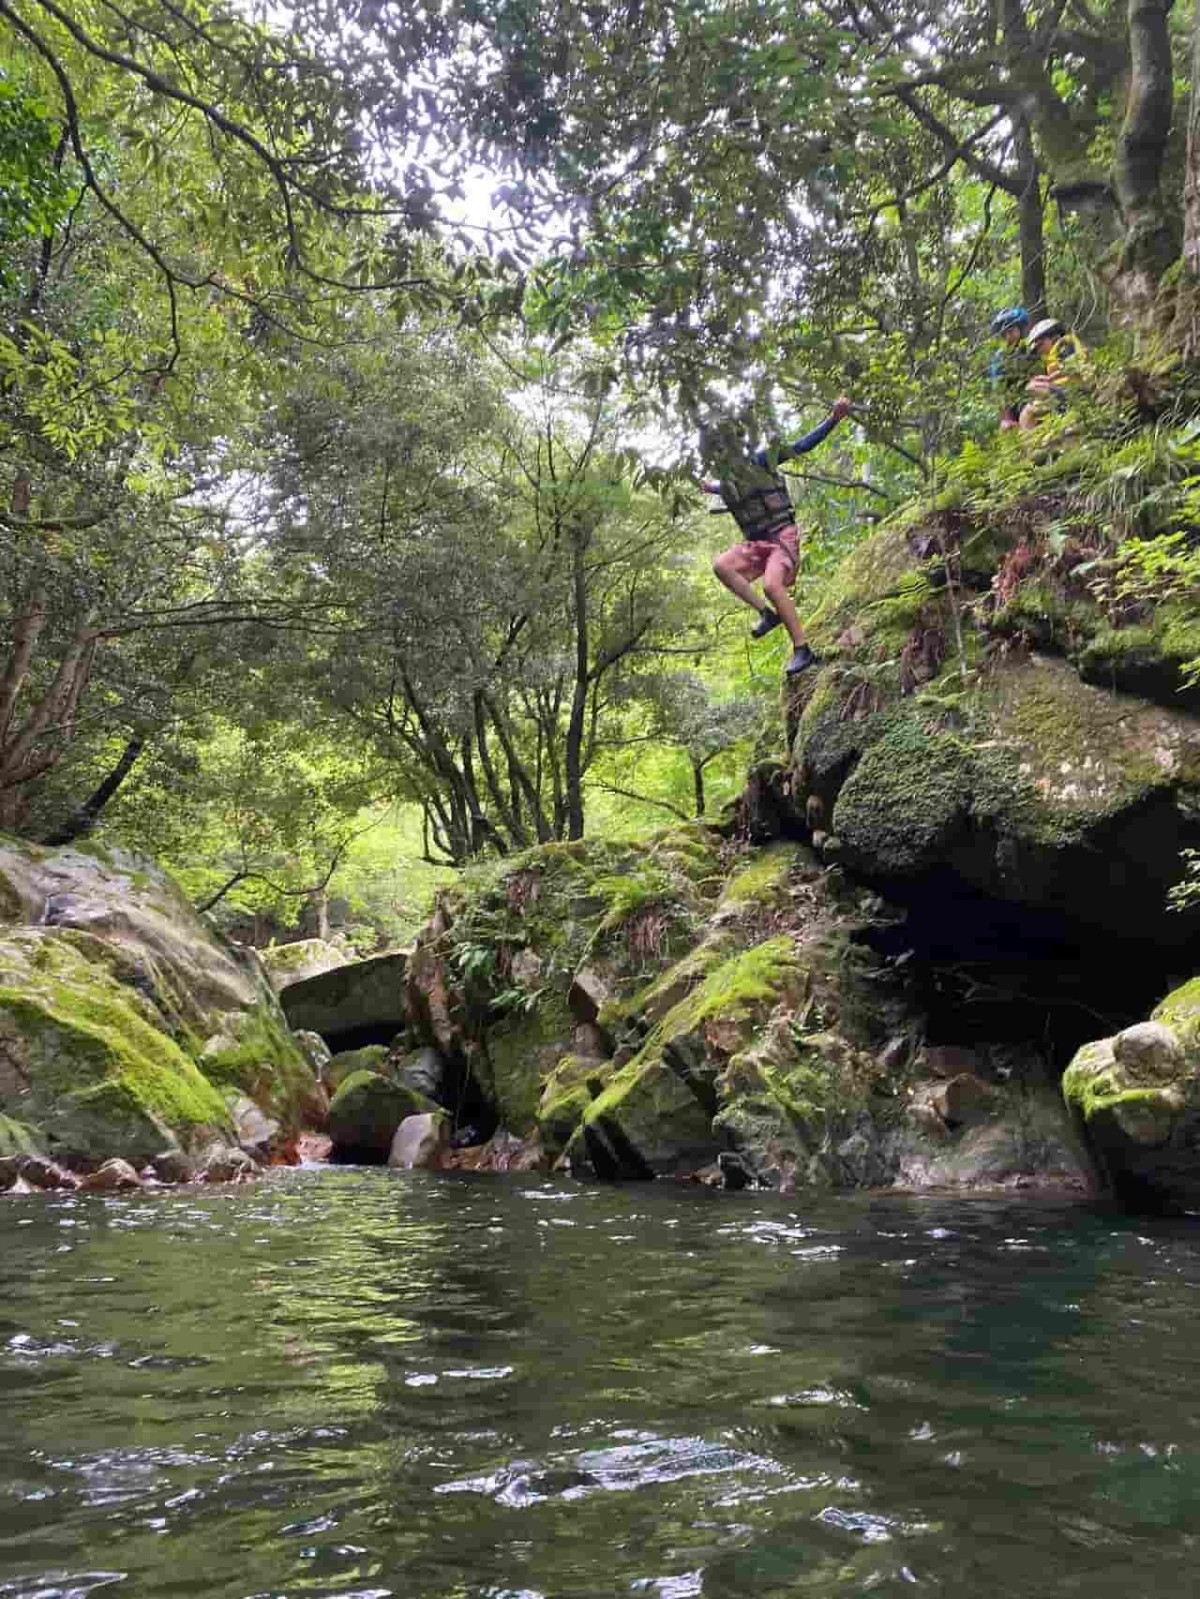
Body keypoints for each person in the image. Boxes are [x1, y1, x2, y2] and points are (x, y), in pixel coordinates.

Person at [701, 396, 852, 677]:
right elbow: (728, 487)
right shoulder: (728, 480)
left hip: (782, 536)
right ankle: (767, 615)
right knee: (721, 565)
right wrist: (710, 488)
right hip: (757, 544)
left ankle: (802, 649)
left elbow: (800, 446)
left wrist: (833, 419)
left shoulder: (760, 460)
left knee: (772, 586)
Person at [1020, 317, 1088, 429]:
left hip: (1075, 390)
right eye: (1036, 349)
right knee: (1027, 409)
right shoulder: (1055, 353)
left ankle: (1064, 411)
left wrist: (1049, 379)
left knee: (1032, 388)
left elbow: (1072, 367)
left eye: (1040, 344)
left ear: (1054, 336)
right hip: (1064, 390)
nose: (1039, 350)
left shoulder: (1064, 344)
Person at [988, 306, 1035, 429]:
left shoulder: (1033, 348)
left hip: (1037, 399)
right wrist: (1007, 419)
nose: (1008, 337)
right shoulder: (1000, 358)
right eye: (1004, 334)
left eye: (1011, 331)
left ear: (1020, 329)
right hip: (1014, 406)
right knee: (1006, 428)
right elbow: (999, 391)